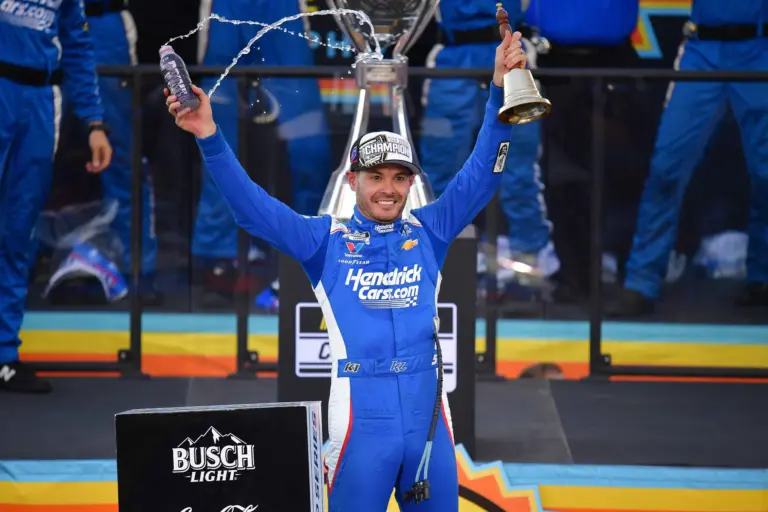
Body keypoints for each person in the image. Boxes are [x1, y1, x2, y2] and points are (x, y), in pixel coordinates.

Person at [167, 28, 526, 511]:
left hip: (430, 429)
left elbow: (484, 173)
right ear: (353, 180)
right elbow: (251, 209)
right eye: (376, 177)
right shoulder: (324, 240)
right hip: (360, 425)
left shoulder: (431, 229)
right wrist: (209, 136)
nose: (388, 189)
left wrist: (501, 89)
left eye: (399, 178)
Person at [610, 0, 768, 317]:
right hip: (701, 50)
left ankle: (762, 277)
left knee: (766, 175)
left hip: (760, 49)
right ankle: (641, 282)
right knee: (666, 169)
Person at [0, 0, 112, 393]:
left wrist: (95, 123)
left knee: (19, 232)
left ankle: (4, 357)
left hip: (41, 102)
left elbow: (77, 47)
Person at [419, 0, 559, 285]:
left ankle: (529, 262)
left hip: (511, 52)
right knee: (442, 168)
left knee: (518, 169)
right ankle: (442, 257)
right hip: (452, 57)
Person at [193, 0, 333, 279]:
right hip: (226, 6)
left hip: (283, 5)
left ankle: (316, 240)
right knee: (214, 131)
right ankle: (218, 257)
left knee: (309, 144)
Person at [82, 0, 158, 291]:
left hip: (103, 21)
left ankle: (136, 268)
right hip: (30, 24)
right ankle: (22, 266)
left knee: (121, 155)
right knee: (25, 155)